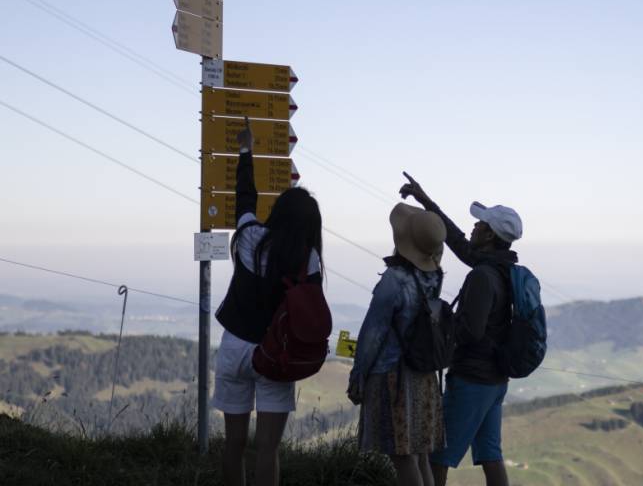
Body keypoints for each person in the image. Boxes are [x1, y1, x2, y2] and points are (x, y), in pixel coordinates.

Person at [211, 118, 324, 486]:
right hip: (277, 355)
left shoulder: (249, 238)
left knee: (234, 444)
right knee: (268, 449)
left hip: (235, 348)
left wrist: (247, 149)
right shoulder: (309, 260)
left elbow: (245, 197)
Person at [400, 173, 523, 486]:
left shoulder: (483, 276)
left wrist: (440, 324)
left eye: (480, 225)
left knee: (437, 456)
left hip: (472, 379)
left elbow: (472, 331)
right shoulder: (501, 268)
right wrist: (426, 201)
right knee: (490, 454)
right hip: (494, 379)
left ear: (490, 235)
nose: (474, 227)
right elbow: (456, 240)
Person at [347, 203, 448, 486]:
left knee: (403, 459)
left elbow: (373, 334)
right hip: (424, 375)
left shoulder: (395, 280)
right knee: (420, 455)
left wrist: (358, 376)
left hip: (394, 378)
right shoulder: (434, 275)